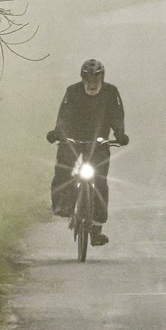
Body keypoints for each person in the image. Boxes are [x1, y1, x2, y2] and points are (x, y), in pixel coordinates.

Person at [46, 58, 128, 245]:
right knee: (63, 168)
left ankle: (96, 228)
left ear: (102, 80)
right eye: (88, 82)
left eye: (95, 82)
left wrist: (120, 134)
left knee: (99, 181)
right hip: (73, 139)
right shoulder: (72, 92)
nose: (92, 86)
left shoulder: (110, 93)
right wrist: (58, 132)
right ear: (83, 80)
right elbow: (64, 115)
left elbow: (116, 115)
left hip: (99, 142)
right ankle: (62, 204)